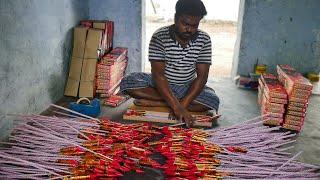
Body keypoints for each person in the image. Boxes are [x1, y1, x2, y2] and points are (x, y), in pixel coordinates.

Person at [120, 0, 220, 127]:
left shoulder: (204, 39)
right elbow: (158, 76)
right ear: (175, 17)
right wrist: (178, 107)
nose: (189, 29)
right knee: (128, 82)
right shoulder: (159, 37)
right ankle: (172, 101)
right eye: (185, 23)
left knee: (212, 100)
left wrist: (181, 106)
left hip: (187, 86)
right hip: (161, 85)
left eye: (195, 25)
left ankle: (159, 102)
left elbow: (202, 77)